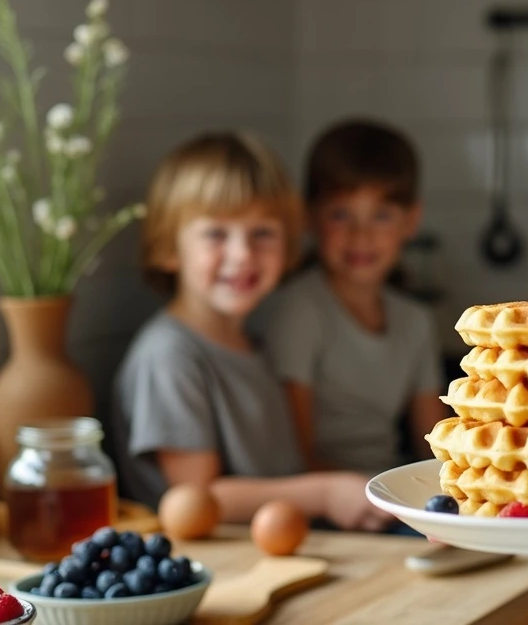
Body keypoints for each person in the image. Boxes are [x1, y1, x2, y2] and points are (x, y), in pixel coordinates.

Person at [111, 131, 392, 532]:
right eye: (216, 234)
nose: (243, 254)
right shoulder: (169, 355)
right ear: (169, 248)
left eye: (262, 233)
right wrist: (327, 493)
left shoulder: (254, 345)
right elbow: (198, 498)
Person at [262, 120, 444, 475]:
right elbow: (295, 457)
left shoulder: (415, 321)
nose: (361, 235)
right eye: (341, 215)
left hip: (389, 490)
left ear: (411, 221)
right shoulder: (301, 311)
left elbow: (433, 447)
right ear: (309, 217)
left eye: (381, 215)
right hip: (322, 499)